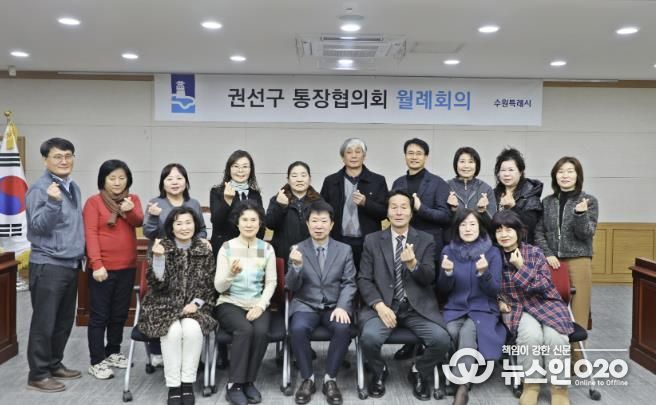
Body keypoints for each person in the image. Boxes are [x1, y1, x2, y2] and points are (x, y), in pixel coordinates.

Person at [358, 190, 451, 401]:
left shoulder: (426, 240)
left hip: (416, 308)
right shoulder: (372, 240)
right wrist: (379, 305)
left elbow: (429, 278)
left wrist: (413, 265)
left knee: (441, 339)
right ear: (387, 212)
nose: (398, 212)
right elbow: (364, 279)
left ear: (411, 212)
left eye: (403, 207)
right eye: (394, 207)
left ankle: (419, 370)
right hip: (384, 307)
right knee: (369, 338)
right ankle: (379, 370)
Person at [492, 210, 574, 405]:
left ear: (519, 231)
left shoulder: (534, 252)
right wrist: (498, 300)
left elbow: (544, 285)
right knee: (530, 336)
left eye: (508, 229)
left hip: (545, 302)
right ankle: (531, 386)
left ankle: (559, 390)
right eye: (499, 230)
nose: (504, 234)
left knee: (556, 337)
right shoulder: (493, 256)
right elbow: (489, 284)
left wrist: (521, 266)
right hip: (517, 306)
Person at [138, 207, 217, 405]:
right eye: (179, 223)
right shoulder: (162, 247)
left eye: (188, 222)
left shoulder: (204, 249)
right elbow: (157, 285)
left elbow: (208, 284)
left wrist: (196, 304)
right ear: (171, 227)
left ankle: (187, 383)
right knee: (172, 332)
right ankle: (174, 386)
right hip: (163, 305)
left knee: (192, 330)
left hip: (195, 307)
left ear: (195, 225)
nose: (184, 227)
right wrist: (158, 258)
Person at [25, 138, 85, 392]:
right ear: (45, 160)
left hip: (70, 263)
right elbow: (38, 227)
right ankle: (38, 374)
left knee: (63, 321)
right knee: (44, 322)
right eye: (57, 156)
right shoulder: (40, 189)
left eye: (68, 156)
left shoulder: (72, 186)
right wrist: (52, 202)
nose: (64, 161)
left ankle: (53, 363)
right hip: (48, 264)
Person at [286, 201, 357, 405]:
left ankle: (330, 379)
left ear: (332, 224)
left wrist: (342, 306)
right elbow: (291, 285)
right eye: (314, 221)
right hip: (305, 303)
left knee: (343, 328)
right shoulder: (297, 249)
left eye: (324, 221)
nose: (319, 226)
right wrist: (296, 267)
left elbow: (349, 282)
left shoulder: (344, 250)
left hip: (334, 305)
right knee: (297, 328)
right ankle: (307, 378)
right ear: (307, 224)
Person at [391, 138, 451, 360]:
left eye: (419, 153)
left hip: (428, 246)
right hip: (402, 242)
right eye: (410, 153)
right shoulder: (398, 182)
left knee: (425, 294)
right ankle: (410, 344)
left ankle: (427, 342)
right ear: (405, 156)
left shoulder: (438, 183)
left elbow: (445, 216)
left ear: (426, 157)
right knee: (405, 291)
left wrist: (420, 208)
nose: (414, 157)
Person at [143, 163, 208, 366]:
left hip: (190, 261)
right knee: (162, 300)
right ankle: (157, 350)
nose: (174, 182)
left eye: (179, 178)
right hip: (163, 259)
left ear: (186, 182)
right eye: (169, 178)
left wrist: (201, 240)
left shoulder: (193, 203)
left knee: (190, 304)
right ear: (162, 183)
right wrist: (153, 216)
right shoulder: (156, 203)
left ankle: (191, 355)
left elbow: (201, 229)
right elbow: (148, 233)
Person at [83, 159, 144, 379]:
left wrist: (129, 211)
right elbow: (90, 234)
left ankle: (113, 352)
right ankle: (96, 360)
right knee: (100, 315)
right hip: (102, 269)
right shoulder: (94, 202)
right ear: (103, 180)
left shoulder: (132, 200)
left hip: (127, 266)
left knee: (119, 314)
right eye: (112, 178)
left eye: (121, 178)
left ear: (128, 179)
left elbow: (139, 222)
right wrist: (96, 264)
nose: (117, 182)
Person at [438, 209, 505, 405]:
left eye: (472, 224)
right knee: (450, 331)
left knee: (467, 332)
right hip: (455, 308)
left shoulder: (492, 252)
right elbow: (442, 289)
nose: (468, 229)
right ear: (457, 228)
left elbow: (494, 290)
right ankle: (468, 369)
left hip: (483, 308)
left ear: (480, 227)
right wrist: (447, 274)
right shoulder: (448, 251)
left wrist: (484, 273)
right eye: (463, 225)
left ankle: (462, 386)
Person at [214, 201, 277, 405]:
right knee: (244, 330)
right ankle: (235, 384)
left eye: (253, 220)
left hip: (257, 303)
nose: (249, 224)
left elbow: (271, 282)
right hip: (229, 303)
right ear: (237, 222)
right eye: (244, 220)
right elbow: (219, 287)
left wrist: (260, 306)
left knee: (261, 331)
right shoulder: (227, 248)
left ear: (260, 223)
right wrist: (231, 274)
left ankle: (249, 381)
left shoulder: (266, 248)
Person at [535, 157, 598, 336]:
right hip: (552, 262)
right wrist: (548, 253)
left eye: (570, 171)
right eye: (561, 172)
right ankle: (555, 352)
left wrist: (580, 214)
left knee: (579, 311)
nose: (565, 175)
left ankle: (577, 354)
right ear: (555, 176)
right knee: (552, 310)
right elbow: (539, 232)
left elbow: (586, 233)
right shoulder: (547, 202)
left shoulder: (589, 200)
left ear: (578, 175)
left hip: (579, 260)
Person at [320, 138, 388, 270]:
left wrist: (366, 203)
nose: (354, 156)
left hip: (367, 242)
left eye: (358, 152)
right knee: (338, 277)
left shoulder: (377, 180)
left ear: (364, 156)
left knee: (366, 277)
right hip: (338, 241)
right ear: (343, 157)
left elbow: (384, 213)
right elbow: (323, 211)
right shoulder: (331, 181)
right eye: (349, 152)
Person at [265, 161, 322, 267]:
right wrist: (281, 206)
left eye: (303, 175)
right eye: (294, 176)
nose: (299, 179)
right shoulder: (277, 199)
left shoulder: (319, 201)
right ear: (288, 180)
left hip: (312, 256)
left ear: (310, 179)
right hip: (284, 255)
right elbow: (270, 224)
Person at [210, 150, 264, 256]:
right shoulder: (217, 192)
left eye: (245, 166)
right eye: (236, 166)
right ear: (229, 169)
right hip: (224, 249)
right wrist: (227, 200)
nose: (240, 170)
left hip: (250, 249)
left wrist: (254, 247)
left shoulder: (255, 194)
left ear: (251, 169)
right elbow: (216, 222)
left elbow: (261, 225)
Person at [493, 148, 543, 243]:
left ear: (520, 172)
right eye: (503, 170)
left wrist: (514, 207)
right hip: (498, 246)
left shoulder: (530, 193)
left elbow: (531, 227)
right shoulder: (494, 193)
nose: (506, 174)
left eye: (511, 170)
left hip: (522, 246)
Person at [447, 146, 496, 219]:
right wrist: (452, 210)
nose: (466, 166)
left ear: (477, 165)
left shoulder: (486, 189)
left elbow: (493, 221)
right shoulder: (446, 186)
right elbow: (440, 219)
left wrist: (483, 212)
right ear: (456, 164)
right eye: (462, 161)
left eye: (471, 162)